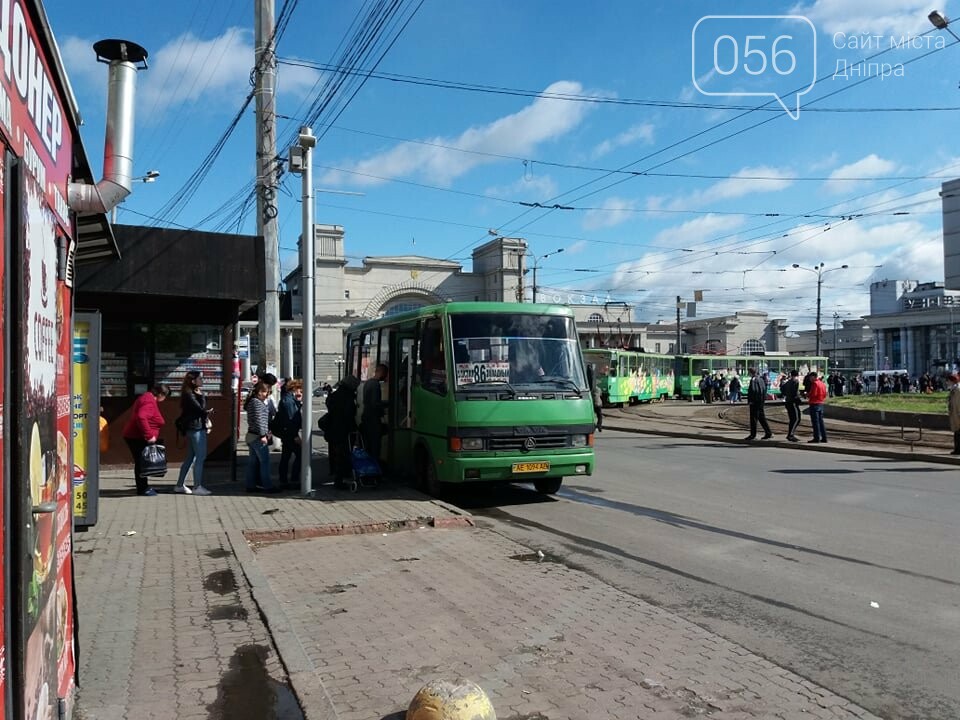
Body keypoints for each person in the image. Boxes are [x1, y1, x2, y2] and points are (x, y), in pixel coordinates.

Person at [122, 384, 170, 496]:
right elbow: (141, 417)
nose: (165, 399)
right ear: (160, 394)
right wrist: (149, 435)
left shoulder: (146, 397)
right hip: (136, 437)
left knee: (142, 462)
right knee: (141, 463)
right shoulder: (149, 401)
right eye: (165, 396)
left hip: (136, 436)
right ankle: (143, 488)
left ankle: (144, 487)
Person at [175, 370, 212, 496]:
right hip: (196, 428)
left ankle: (180, 485)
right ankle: (197, 486)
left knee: (190, 458)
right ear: (193, 381)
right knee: (200, 457)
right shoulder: (190, 394)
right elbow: (200, 409)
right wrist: (201, 396)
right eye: (200, 378)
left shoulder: (188, 393)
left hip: (192, 428)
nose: (202, 381)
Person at [244, 381, 279, 493]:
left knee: (253, 462)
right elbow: (259, 421)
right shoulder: (257, 403)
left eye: (267, 392)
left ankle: (250, 485)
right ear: (258, 392)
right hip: (257, 437)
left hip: (252, 435)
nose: (266, 394)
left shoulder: (253, 402)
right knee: (265, 461)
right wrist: (263, 435)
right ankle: (267, 486)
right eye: (264, 392)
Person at [325, 375, 360, 487]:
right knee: (343, 455)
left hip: (332, 429)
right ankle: (339, 480)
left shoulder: (334, 396)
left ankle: (336, 475)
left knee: (335, 454)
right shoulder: (348, 398)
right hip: (343, 431)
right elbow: (349, 415)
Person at [274, 378, 304, 487]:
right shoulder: (289, 401)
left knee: (286, 456)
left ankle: (284, 479)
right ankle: (293, 479)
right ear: (295, 389)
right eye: (300, 390)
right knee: (300, 455)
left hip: (286, 433)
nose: (301, 393)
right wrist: (296, 436)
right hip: (290, 434)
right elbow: (291, 420)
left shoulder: (289, 399)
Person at [360, 363, 389, 462]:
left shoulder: (368, 383)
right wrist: (385, 406)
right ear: (381, 372)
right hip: (373, 420)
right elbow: (375, 403)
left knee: (368, 446)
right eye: (386, 373)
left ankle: (369, 469)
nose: (386, 376)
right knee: (375, 446)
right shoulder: (375, 385)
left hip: (366, 418)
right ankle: (374, 469)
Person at [744, 367, 773, 441]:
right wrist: (762, 399)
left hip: (755, 402)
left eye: (749, 373)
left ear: (751, 373)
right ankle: (768, 432)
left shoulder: (753, 380)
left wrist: (751, 400)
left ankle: (753, 435)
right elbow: (764, 389)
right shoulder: (761, 379)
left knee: (753, 418)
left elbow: (753, 390)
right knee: (761, 418)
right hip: (761, 401)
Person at [806, 372, 828, 443]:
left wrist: (807, 395)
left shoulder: (815, 383)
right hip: (821, 403)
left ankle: (817, 438)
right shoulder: (822, 383)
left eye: (810, 377)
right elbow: (825, 394)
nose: (809, 379)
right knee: (821, 421)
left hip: (814, 403)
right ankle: (824, 437)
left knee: (815, 422)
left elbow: (813, 394)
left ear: (813, 377)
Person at [781, 369, 802, 442]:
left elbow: (782, 389)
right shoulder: (795, 381)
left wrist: (787, 394)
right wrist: (799, 399)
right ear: (797, 375)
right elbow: (795, 393)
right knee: (796, 418)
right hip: (792, 402)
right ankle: (791, 434)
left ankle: (790, 434)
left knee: (792, 419)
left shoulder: (788, 382)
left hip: (788, 401)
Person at [948, 374, 960, 455]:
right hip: (955, 413)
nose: (947, 382)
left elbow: (958, 403)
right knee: (957, 432)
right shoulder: (954, 389)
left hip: (958, 414)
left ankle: (958, 450)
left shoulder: (957, 389)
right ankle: (957, 449)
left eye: (948, 381)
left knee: (958, 432)